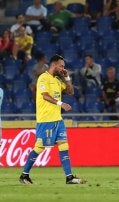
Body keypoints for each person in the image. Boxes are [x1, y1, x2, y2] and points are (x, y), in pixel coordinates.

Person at [19, 54, 86, 184]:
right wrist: (61, 104)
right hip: (46, 119)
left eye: (64, 67)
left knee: (64, 145)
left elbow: (70, 91)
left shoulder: (57, 80)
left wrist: (67, 77)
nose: (62, 68)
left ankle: (69, 177)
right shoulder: (43, 78)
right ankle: (24, 175)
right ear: (53, 65)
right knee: (39, 147)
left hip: (57, 119)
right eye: (61, 66)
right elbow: (45, 96)